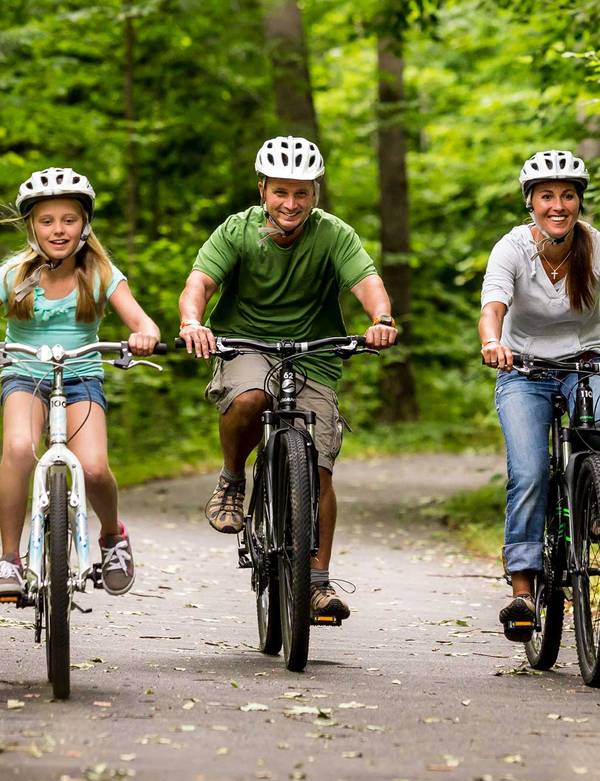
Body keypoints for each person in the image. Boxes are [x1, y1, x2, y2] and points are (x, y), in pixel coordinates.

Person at [179, 135, 397, 621]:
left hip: (314, 354)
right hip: (246, 344)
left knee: (318, 468)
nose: (291, 203)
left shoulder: (334, 234)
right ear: (262, 190)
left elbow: (367, 282)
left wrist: (381, 319)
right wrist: (192, 322)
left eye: (302, 193)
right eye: (281, 191)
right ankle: (232, 480)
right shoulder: (237, 231)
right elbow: (201, 282)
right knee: (250, 399)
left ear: (316, 193)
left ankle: (317, 582)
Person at [0, 167, 160, 599]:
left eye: (68, 220)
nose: (58, 230)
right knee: (19, 449)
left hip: (81, 378)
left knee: (93, 468)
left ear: (84, 225)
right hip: (24, 375)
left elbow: (142, 321)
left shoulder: (100, 274)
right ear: (32, 227)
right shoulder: (12, 275)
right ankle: (9, 558)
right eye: (47, 221)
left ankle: (112, 536)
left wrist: (144, 335)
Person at [479, 149, 600, 640]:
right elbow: (493, 305)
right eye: (546, 196)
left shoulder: (595, 246)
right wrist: (492, 342)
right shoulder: (512, 248)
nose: (558, 205)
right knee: (529, 471)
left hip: (588, 363)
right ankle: (523, 590)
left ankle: (591, 506)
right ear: (530, 202)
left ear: (579, 202)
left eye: (567, 195)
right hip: (523, 369)